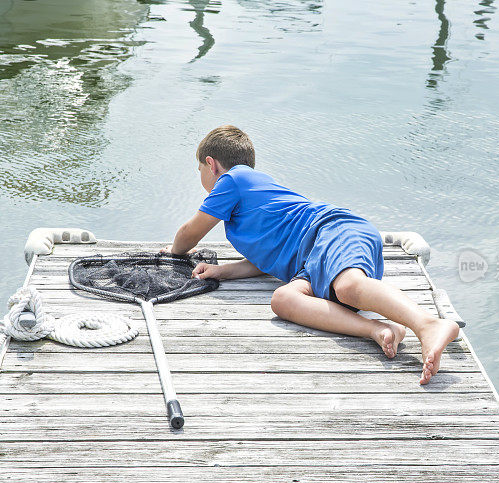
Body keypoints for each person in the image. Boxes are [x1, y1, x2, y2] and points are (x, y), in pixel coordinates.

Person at [162, 125, 459, 384]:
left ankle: (427, 324)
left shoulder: (233, 180)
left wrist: (174, 252)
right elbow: (267, 257)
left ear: (211, 165)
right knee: (282, 299)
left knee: (348, 287)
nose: (200, 175)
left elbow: (191, 233)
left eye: (199, 168)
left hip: (332, 230)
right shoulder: (249, 199)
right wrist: (222, 271)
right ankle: (377, 329)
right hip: (309, 265)